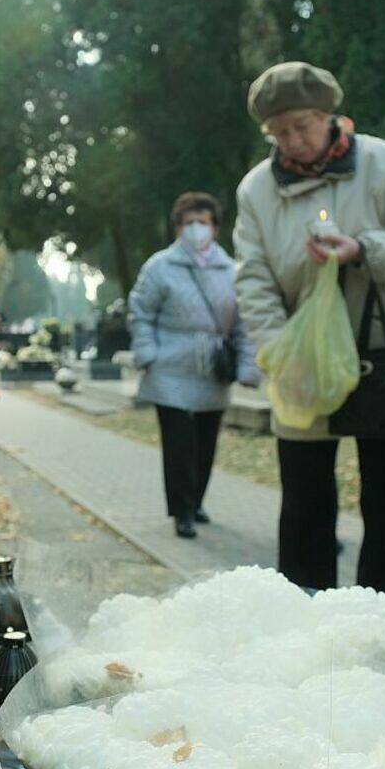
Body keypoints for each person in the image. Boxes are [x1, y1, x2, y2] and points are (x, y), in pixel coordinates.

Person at [234, 61, 385, 626]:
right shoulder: (257, 190)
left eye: (302, 126)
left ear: (328, 117)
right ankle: (305, 630)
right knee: (304, 501)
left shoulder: (381, 162)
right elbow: (252, 278)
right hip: (302, 363)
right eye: (279, 132)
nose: (292, 142)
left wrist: (362, 249)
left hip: (383, 353)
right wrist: (280, 350)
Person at [129, 192, 261, 539]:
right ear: (178, 228)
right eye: (188, 223)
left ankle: (196, 499)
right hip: (169, 366)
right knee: (178, 444)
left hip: (212, 367)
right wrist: (147, 353)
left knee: (205, 441)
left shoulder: (231, 271)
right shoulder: (160, 267)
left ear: (215, 228)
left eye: (202, 222)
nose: (195, 229)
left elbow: (243, 324)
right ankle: (182, 510)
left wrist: (248, 366)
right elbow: (141, 312)